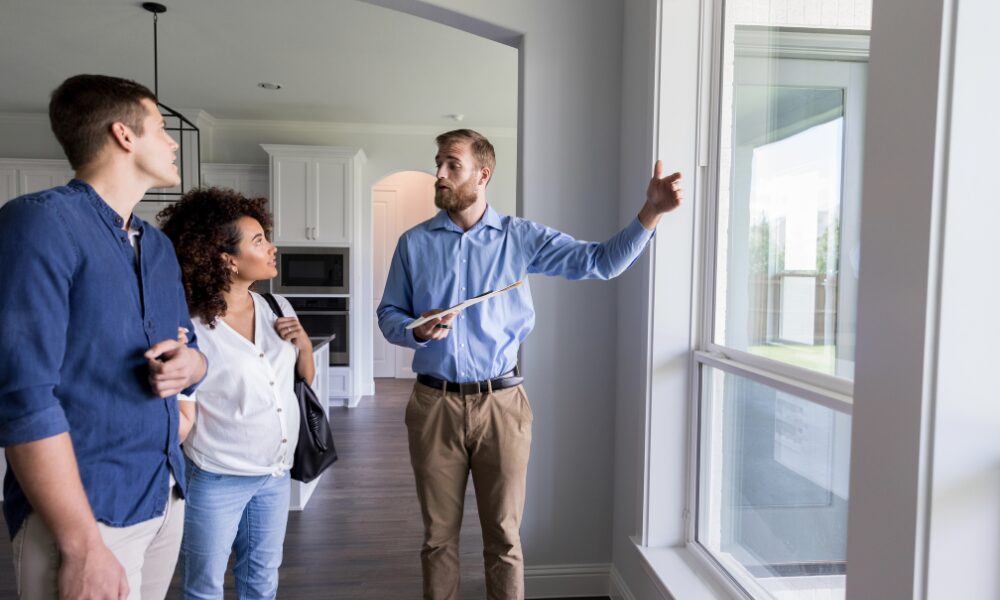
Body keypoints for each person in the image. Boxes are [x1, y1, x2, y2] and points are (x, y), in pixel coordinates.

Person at [377, 129, 683, 599]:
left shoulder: (520, 238)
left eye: (451, 165)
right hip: (432, 406)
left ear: (483, 174)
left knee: (504, 539)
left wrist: (652, 213)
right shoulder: (412, 243)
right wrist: (413, 330)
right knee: (437, 540)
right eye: (438, 162)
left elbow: (601, 261)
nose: (438, 174)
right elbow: (388, 314)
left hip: (503, 407)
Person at [0, 74, 208, 599]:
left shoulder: (157, 246)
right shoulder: (38, 224)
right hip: (87, 516)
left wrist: (192, 367)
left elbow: (192, 351)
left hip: (163, 499)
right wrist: (82, 545)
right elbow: (22, 399)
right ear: (124, 134)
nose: (173, 140)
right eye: (162, 127)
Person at [158, 187, 314, 600]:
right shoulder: (189, 324)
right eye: (258, 240)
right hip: (216, 477)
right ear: (227, 258)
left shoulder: (278, 307)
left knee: (262, 580)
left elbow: (305, 382)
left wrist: (306, 347)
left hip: (274, 475)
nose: (271, 247)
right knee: (204, 586)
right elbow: (180, 407)